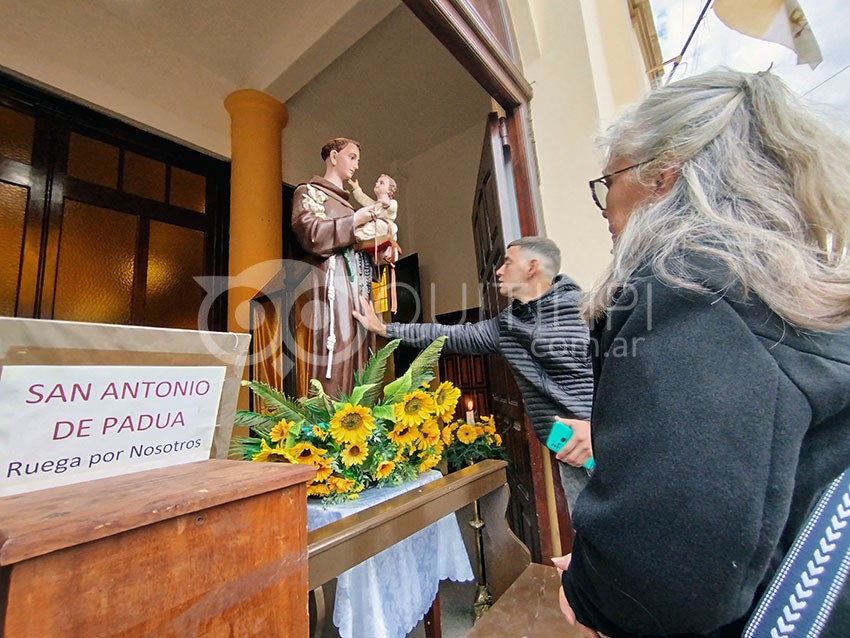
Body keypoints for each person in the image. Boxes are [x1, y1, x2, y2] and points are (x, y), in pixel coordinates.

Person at [557, 69, 850, 638]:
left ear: (662, 175)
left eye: (608, 180)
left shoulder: (685, 288)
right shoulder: (779, 283)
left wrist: (595, 591)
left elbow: (669, 567)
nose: (604, 205)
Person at [352, 235, 595, 509]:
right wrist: (386, 329)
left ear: (531, 267)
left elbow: (628, 380)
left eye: (507, 262)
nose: (499, 271)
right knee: (590, 531)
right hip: (565, 447)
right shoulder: (506, 327)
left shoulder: (586, 309)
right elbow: (448, 334)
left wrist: (597, 430)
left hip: (608, 444)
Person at [291, 137, 393, 397]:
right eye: (352, 157)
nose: (356, 165)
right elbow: (311, 234)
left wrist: (380, 252)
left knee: (363, 355)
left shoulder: (349, 204)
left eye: (357, 159)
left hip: (359, 288)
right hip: (331, 287)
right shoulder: (309, 192)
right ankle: (331, 431)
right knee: (335, 356)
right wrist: (354, 221)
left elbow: (358, 247)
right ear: (334, 157)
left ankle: (361, 425)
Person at [348, 174, 400, 261]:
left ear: (389, 191)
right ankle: (358, 236)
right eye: (377, 182)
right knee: (366, 224)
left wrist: (387, 204)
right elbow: (363, 199)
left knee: (376, 225)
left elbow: (392, 207)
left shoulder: (392, 202)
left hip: (385, 226)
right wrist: (356, 188)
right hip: (377, 229)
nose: (377, 184)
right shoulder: (375, 205)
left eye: (381, 183)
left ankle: (359, 236)